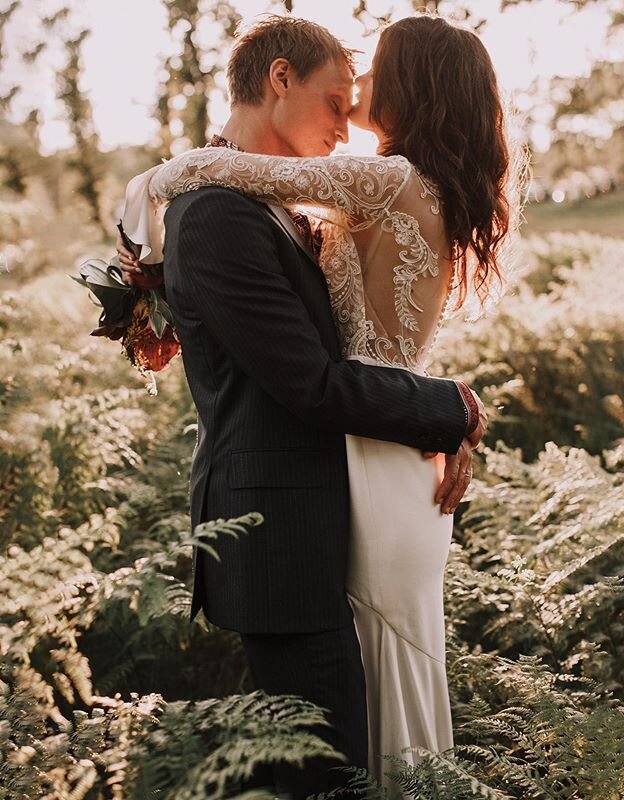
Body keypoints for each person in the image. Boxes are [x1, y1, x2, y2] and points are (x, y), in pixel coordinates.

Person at [118, 14, 496, 797]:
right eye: (336, 97)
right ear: (281, 79)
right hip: (326, 491)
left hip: (370, 470)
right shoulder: (231, 210)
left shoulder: (373, 183)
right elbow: (318, 377)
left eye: (362, 88)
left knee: (369, 706)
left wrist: (150, 187)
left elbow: (348, 359)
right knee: (364, 713)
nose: (348, 111)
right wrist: (445, 411)